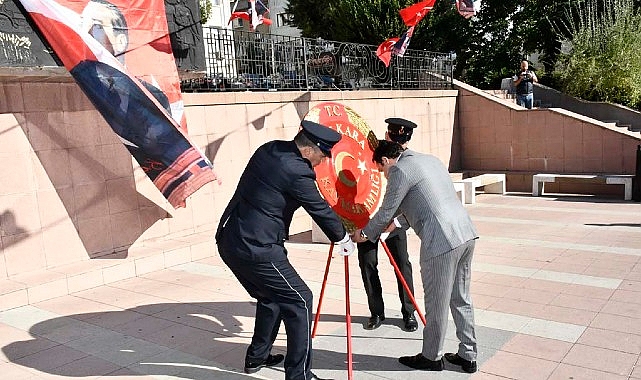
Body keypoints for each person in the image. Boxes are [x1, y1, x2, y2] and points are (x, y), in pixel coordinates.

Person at [215, 120, 355, 380]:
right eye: (323, 155)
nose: (323, 162)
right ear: (310, 150)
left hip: (230, 239)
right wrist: (342, 237)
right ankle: (299, 375)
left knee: (271, 297)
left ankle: (257, 358)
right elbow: (319, 208)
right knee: (300, 300)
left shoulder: (269, 149)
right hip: (256, 247)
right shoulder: (297, 171)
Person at [352, 140, 479, 373]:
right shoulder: (430, 160)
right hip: (465, 234)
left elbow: (385, 212)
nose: (384, 176)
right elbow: (427, 200)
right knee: (461, 298)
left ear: (385, 161)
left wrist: (365, 234)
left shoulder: (400, 170)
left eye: (381, 171)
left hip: (441, 242)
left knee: (436, 303)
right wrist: (397, 224)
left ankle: (431, 357)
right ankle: (468, 355)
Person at [357, 117, 418, 332]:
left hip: (394, 222)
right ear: (387, 136)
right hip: (366, 219)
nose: (402, 146)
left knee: (402, 265)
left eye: (404, 141)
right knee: (368, 266)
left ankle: (408, 312)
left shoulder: (407, 162)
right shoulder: (368, 154)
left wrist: (397, 221)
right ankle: (376, 312)